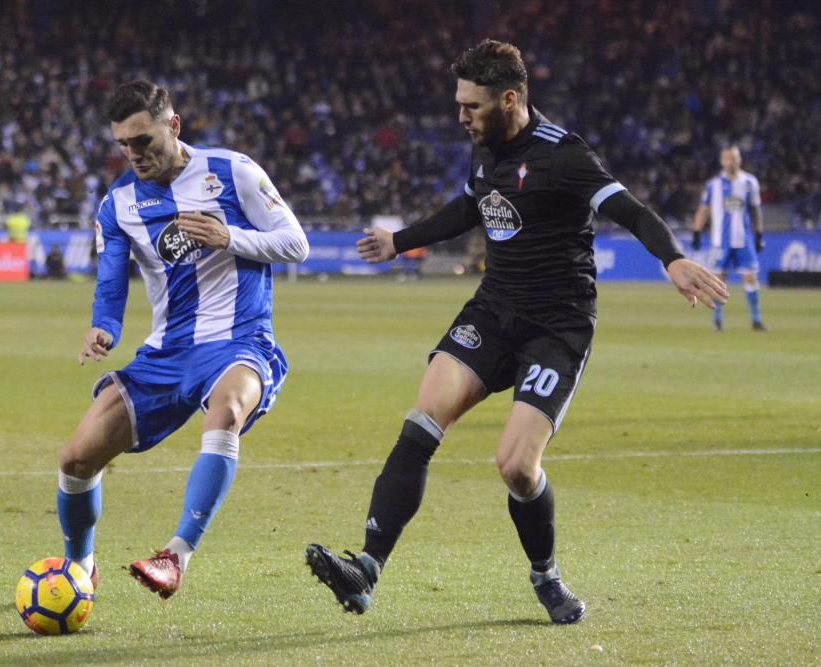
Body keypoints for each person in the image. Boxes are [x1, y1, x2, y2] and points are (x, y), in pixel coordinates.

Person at [305, 39, 728, 625]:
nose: (461, 117)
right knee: (422, 419)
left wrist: (673, 258)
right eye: (458, 104)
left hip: (557, 326)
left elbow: (629, 210)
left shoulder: (565, 155)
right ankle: (367, 569)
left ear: (510, 100)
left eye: (471, 106)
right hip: (494, 310)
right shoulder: (485, 151)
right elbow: (469, 207)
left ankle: (546, 577)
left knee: (516, 467)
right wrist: (399, 241)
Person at [58, 80, 309, 598]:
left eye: (143, 141)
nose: (134, 155)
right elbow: (110, 280)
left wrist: (230, 237)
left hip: (240, 339)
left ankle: (176, 555)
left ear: (172, 126)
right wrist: (104, 327)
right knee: (76, 460)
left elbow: (296, 243)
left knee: (227, 412)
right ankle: (80, 567)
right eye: (123, 145)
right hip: (167, 351)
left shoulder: (233, 171)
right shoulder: (119, 203)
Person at [692, 146, 767, 331]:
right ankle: (717, 320)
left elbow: (756, 210)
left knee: (750, 278)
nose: (731, 162)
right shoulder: (713, 185)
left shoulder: (750, 182)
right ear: (722, 161)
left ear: (740, 160)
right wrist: (696, 232)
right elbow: (704, 209)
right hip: (719, 242)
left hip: (744, 240)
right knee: (718, 281)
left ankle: (756, 319)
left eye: (734, 158)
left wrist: (758, 234)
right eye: (727, 159)